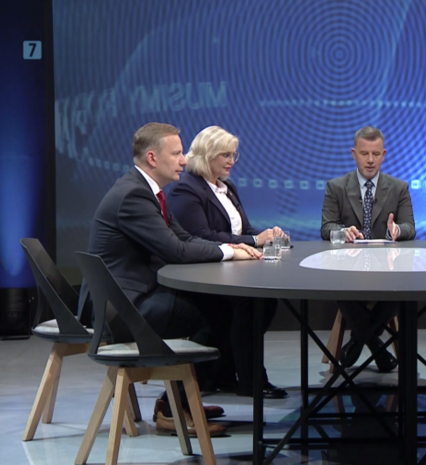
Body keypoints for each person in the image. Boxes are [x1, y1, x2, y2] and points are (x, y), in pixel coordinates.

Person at [77, 122, 262, 436]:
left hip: (131, 296)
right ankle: (173, 406)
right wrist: (231, 253)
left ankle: (181, 401)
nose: (184, 160)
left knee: (216, 306)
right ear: (152, 158)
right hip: (120, 309)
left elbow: (185, 238)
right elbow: (175, 250)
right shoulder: (134, 195)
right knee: (216, 313)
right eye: (176, 154)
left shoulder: (148, 191)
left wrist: (232, 248)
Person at [167, 125, 288, 399]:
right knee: (251, 303)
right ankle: (251, 381)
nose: (231, 160)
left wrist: (267, 235)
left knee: (265, 301)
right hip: (204, 275)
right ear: (207, 155)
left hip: (232, 270)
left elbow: (241, 228)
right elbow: (202, 236)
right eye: (225, 155)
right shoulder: (186, 190)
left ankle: (227, 373)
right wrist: (254, 240)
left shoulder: (226, 187)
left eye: (234, 154)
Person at [320, 126, 416, 372]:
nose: (370, 160)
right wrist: (342, 232)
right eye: (364, 154)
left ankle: (357, 342)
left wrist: (396, 230)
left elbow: (410, 227)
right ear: (354, 154)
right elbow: (326, 227)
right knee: (343, 288)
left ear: (384, 155)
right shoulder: (336, 187)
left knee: (398, 290)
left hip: (387, 270)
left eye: (375, 154)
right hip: (348, 269)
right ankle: (376, 346)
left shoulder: (399, 188)